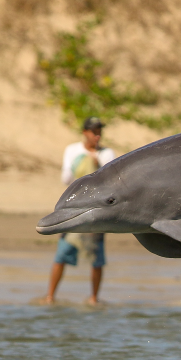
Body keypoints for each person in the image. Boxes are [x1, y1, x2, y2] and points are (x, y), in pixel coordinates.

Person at [43, 117, 116, 305]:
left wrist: (96, 162)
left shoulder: (107, 154)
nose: (98, 136)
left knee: (96, 257)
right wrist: (83, 162)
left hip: (97, 211)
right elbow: (66, 178)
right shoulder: (73, 150)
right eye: (94, 132)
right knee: (63, 253)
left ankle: (94, 298)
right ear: (85, 133)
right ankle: (50, 296)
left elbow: (112, 182)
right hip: (74, 208)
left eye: (100, 132)